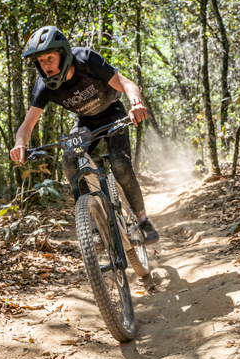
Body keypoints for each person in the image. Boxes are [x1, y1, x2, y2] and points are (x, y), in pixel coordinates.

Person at [9, 26, 159, 245]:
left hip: (113, 113)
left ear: (64, 55)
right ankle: (93, 224)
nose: (46, 65)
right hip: (86, 123)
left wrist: (135, 104)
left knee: (120, 166)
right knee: (69, 162)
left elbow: (127, 84)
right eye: (41, 61)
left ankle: (143, 219)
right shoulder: (44, 86)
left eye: (50, 58)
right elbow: (28, 123)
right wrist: (19, 144)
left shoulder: (86, 59)